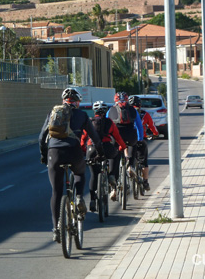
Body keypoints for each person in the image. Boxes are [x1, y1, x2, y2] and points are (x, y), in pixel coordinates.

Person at [39, 88, 104, 243]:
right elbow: (94, 136)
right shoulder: (82, 115)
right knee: (79, 173)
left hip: (54, 153)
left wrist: (43, 155)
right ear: (77, 102)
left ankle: (56, 229)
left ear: (63, 101)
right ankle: (80, 197)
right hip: (73, 150)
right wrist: (100, 153)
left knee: (56, 191)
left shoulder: (53, 113)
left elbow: (42, 137)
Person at [80, 100, 127, 212]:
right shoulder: (110, 122)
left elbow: (83, 139)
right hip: (106, 147)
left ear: (94, 111)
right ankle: (111, 175)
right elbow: (118, 137)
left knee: (94, 175)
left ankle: (92, 200)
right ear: (105, 111)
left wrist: (83, 149)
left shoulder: (90, 122)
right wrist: (123, 147)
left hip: (92, 149)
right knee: (115, 155)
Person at [106, 91, 144, 200]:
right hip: (130, 134)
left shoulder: (111, 110)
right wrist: (140, 139)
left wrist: (108, 139)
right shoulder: (132, 110)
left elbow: (108, 125)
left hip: (117, 136)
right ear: (127, 100)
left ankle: (113, 181)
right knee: (133, 145)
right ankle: (131, 165)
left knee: (115, 155)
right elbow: (139, 126)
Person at [128, 95, 159, 191]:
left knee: (127, 157)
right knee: (144, 162)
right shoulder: (144, 114)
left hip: (128, 140)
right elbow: (152, 126)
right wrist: (155, 134)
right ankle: (145, 182)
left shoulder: (126, 113)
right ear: (140, 105)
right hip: (141, 140)